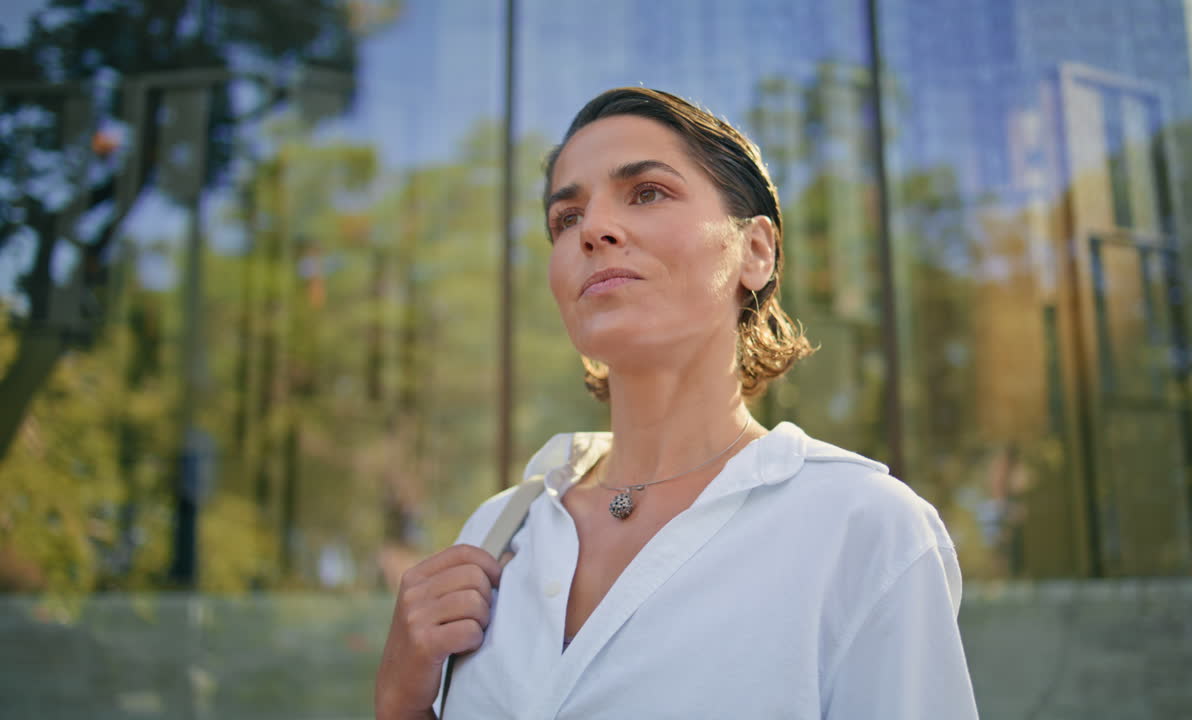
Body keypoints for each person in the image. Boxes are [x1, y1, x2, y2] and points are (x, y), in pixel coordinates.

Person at [375, 87, 979, 719]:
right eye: (567, 218)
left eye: (647, 193)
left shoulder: (864, 528)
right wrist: (399, 701)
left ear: (756, 251)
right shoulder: (497, 533)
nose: (593, 230)